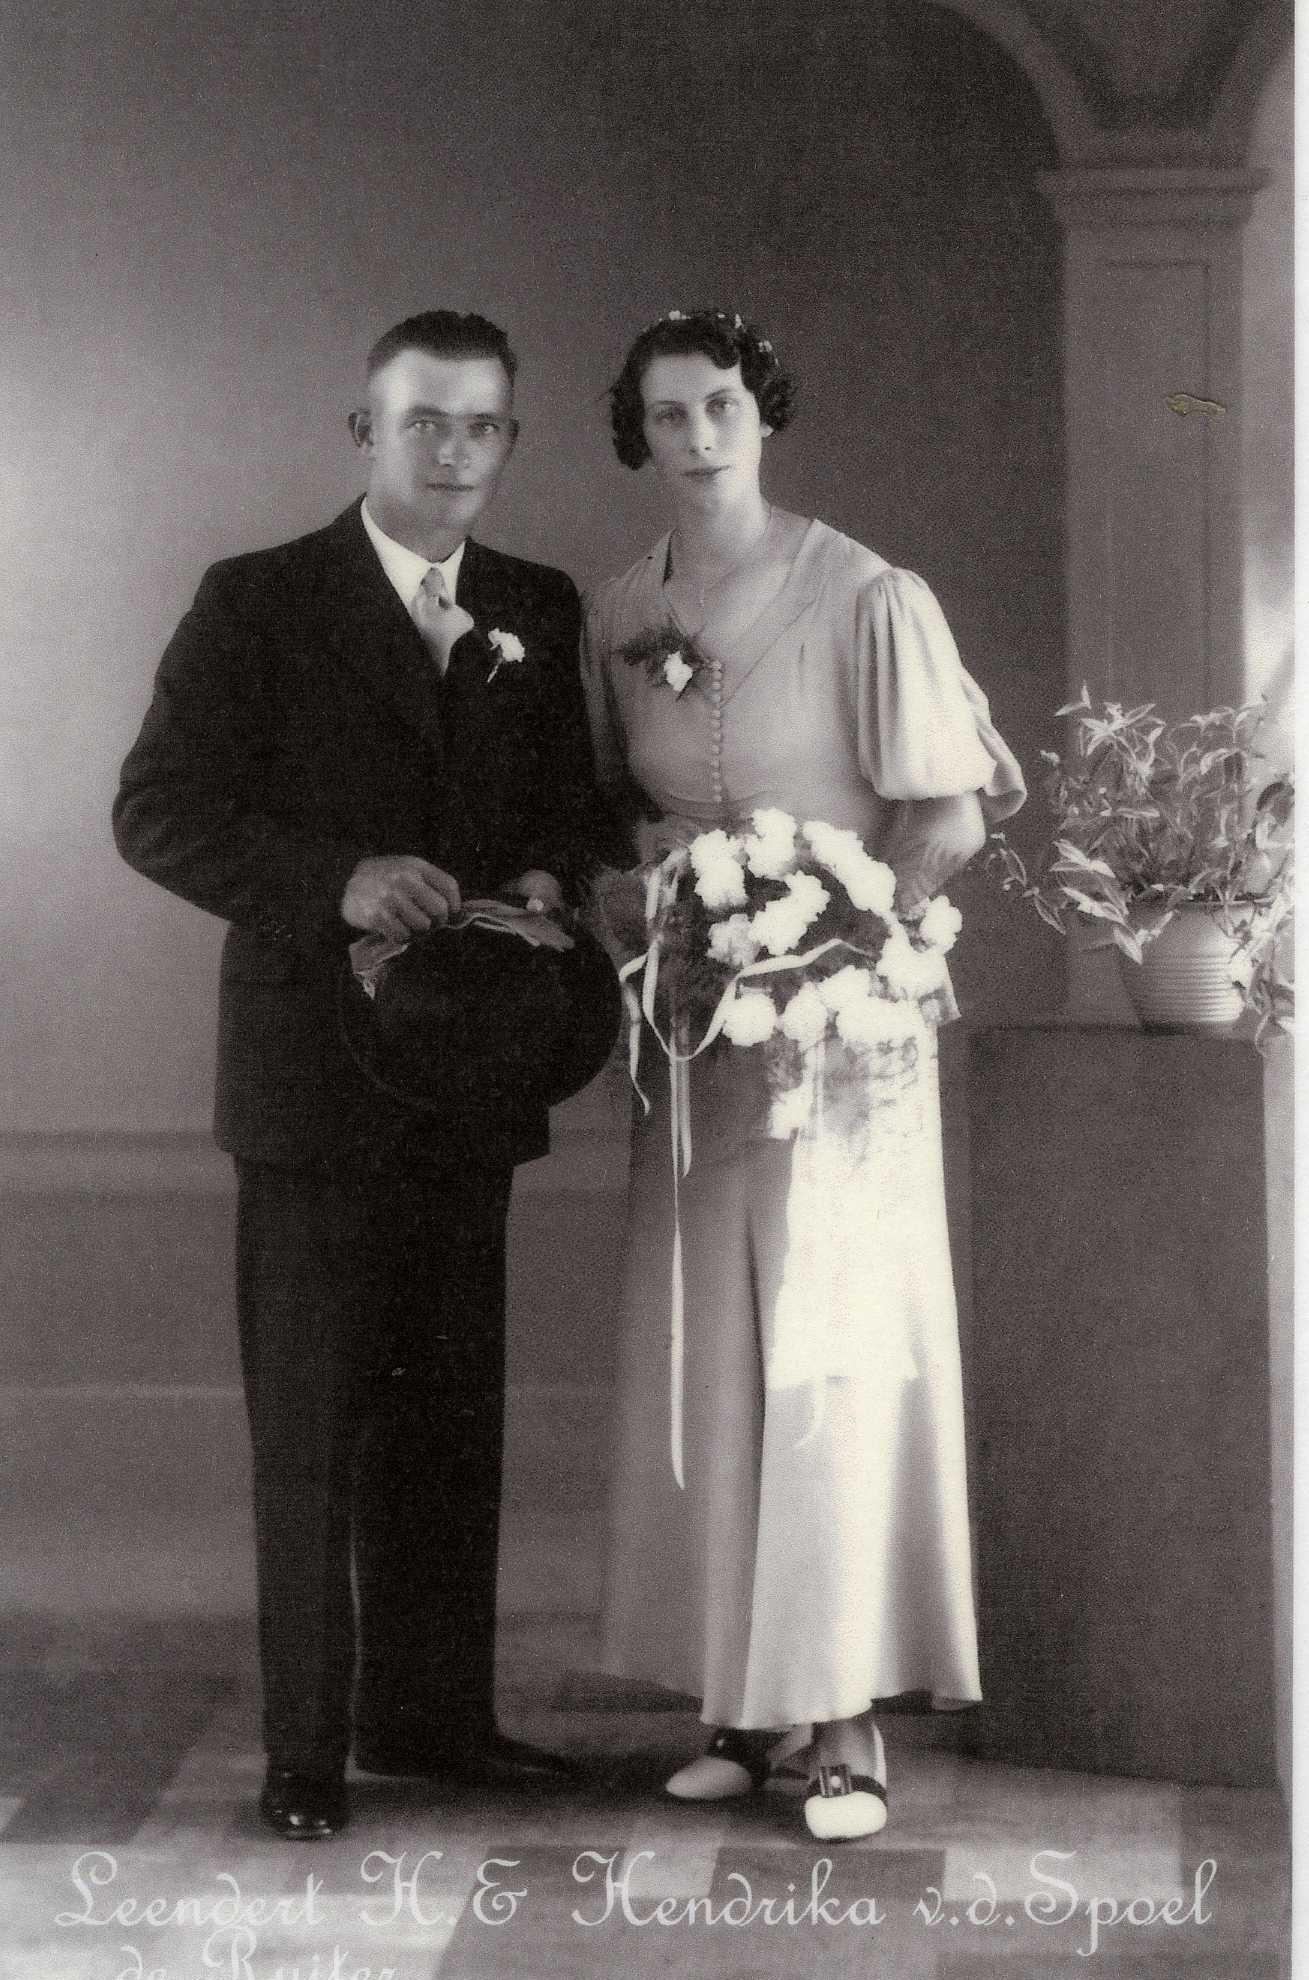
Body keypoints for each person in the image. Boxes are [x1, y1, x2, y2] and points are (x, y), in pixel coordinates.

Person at [113, 310, 601, 1840]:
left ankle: (433, 1722)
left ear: (509, 440)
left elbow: (567, 807)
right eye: (422, 422)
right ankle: (306, 1754)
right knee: (313, 1432)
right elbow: (156, 811)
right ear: (364, 434)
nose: (453, 452)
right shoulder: (257, 600)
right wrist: (336, 878)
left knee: (450, 1418)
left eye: (481, 425)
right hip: (310, 1087)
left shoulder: (536, 604)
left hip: (470, 1072)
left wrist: (543, 878)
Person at [581, 308, 1026, 1842]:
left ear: (761, 414)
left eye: (720, 405)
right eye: (666, 414)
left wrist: (839, 949)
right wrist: (660, 924)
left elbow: (948, 816)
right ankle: (743, 1702)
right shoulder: (616, 609)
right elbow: (611, 815)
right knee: (708, 1347)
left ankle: (845, 1722)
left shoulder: (865, 595)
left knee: (826, 1355)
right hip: (697, 1034)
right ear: (637, 435)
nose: (697, 436)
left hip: (841, 1036)